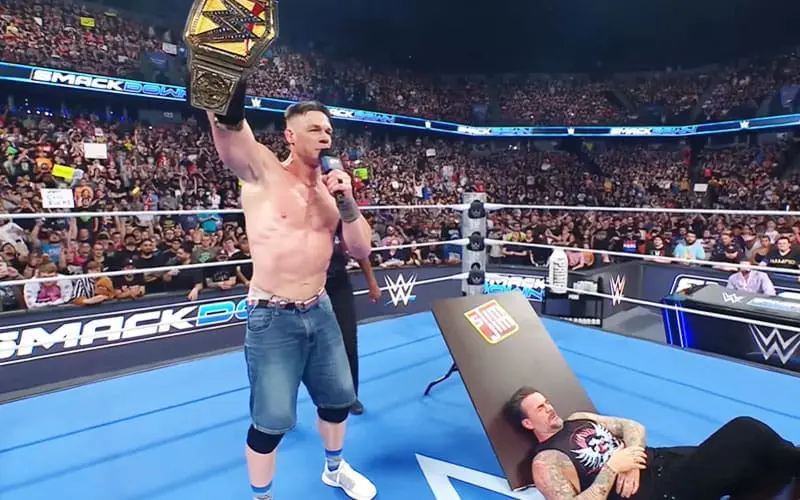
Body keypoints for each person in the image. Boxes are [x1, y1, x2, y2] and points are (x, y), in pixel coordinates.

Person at [204, 81, 376, 500]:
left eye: (328, 131)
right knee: (271, 422)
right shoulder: (263, 171)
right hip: (272, 315)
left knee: (338, 400)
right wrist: (220, 87)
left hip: (321, 307)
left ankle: (335, 470)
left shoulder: (331, 193)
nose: (325, 137)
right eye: (314, 129)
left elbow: (361, 249)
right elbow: (230, 132)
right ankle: (262, 496)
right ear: (290, 135)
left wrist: (347, 201)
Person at [505, 386, 799, 499]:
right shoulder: (546, 461)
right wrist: (613, 468)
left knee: (758, 465)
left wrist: (632, 461)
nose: (549, 408)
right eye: (540, 408)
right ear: (528, 423)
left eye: (547, 401)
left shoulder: (578, 418)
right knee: (746, 430)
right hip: (660, 491)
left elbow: (632, 426)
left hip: (662, 461)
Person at [326, 221, 382, 415]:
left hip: (339, 283)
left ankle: (350, 396)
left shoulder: (338, 218)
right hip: (308, 286)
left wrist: (372, 283)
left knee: (348, 341)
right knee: (303, 346)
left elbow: (360, 251)